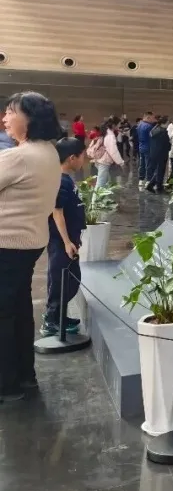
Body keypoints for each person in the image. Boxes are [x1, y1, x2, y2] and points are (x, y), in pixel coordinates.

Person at [0, 92, 62, 401]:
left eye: (11, 112)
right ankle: (25, 376)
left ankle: (6, 384)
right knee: (19, 309)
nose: (5, 118)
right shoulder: (48, 151)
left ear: (30, 119)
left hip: (6, 244)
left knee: (5, 315)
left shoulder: (19, 156)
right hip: (28, 243)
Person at [42, 137, 86, 337]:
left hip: (69, 240)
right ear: (71, 158)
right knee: (60, 279)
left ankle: (60, 316)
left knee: (70, 279)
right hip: (61, 242)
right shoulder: (60, 181)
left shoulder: (65, 178)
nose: (84, 160)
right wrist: (67, 242)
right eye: (82, 156)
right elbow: (57, 212)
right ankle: (51, 320)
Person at [93, 119, 125, 189]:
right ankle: (96, 196)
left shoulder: (106, 132)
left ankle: (101, 195)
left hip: (100, 159)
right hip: (104, 161)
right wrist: (120, 162)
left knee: (104, 181)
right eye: (118, 124)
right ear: (113, 125)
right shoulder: (110, 135)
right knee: (101, 183)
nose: (119, 126)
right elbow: (113, 151)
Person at [145, 115, 172, 193]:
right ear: (163, 123)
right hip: (162, 153)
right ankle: (158, 187)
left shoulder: (154, 130)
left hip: (154, 152)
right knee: (161, 170)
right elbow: (166, 144)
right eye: (167, 123)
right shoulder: (163, 132)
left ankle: (152, 185)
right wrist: (170, 146)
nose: (168, 124)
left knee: (159, 170)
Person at [135, 111, 156, 187]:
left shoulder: (139, 125)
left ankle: (141, 180)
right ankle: (148, 180)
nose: (153, 120)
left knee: (142, 164)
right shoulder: (149, 126)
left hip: (141, 147)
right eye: (152, 118)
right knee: (149, 165)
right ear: (148, 117)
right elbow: (152, 137)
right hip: (148, 147)